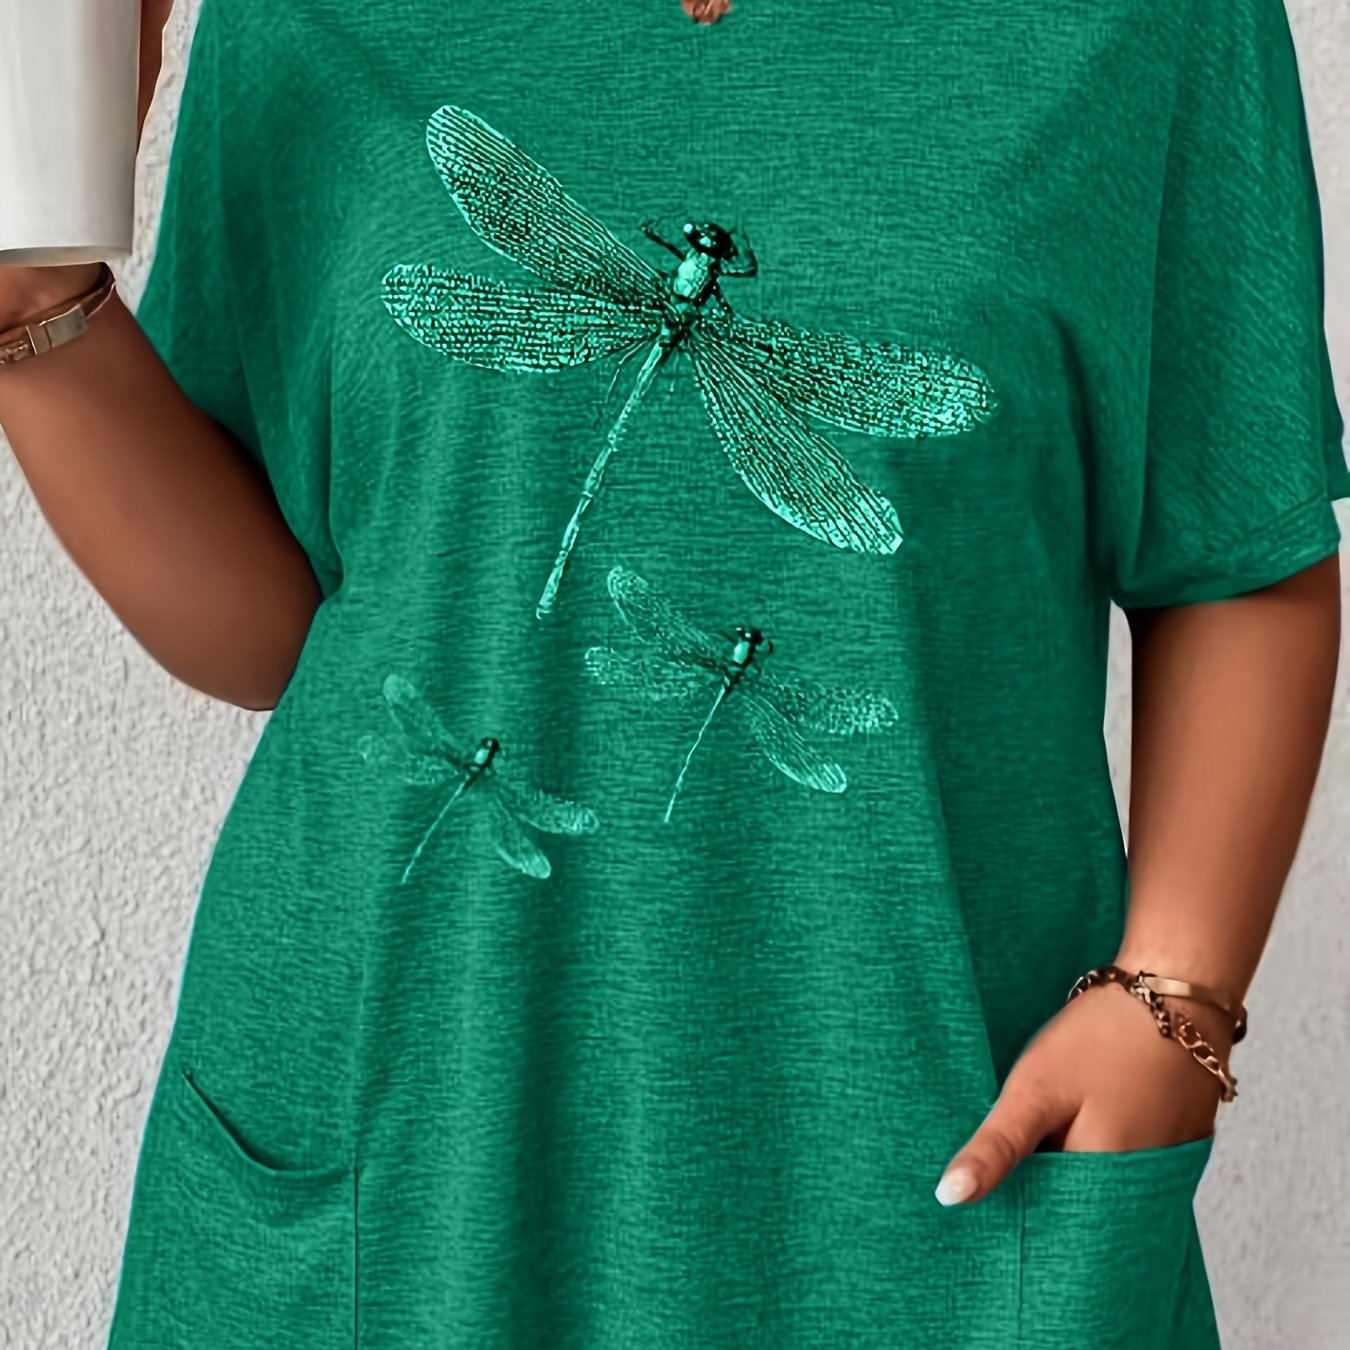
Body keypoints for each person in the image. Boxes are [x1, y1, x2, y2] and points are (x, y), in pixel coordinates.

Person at [1, 0, 1345, 1344]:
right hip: (412, 1106)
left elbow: (1235, 544)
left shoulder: (1154, 23)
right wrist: (30, 303)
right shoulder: (288, 16)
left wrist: (1175, 998)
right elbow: (276, 635)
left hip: (924, 1122)